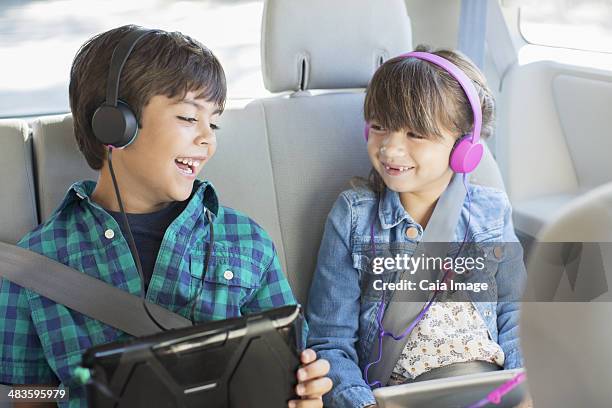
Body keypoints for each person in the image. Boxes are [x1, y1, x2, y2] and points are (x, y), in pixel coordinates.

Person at [0, 25, 331, 408]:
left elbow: (293, 376)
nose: (208, 139)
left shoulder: (247, 244)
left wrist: (308, 396)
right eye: (189, 119)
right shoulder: (36, 264)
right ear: (115, 124)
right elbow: (27, 396)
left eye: (214, 123)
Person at [306, 45, 526, 408]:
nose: (391, 149)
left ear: (464, 147)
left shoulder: (492, 212)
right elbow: (330, 342)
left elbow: (516, 317)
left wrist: (526, 388)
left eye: (415, 135)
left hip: (492, 391)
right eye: (379, 127)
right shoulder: (353, 217)